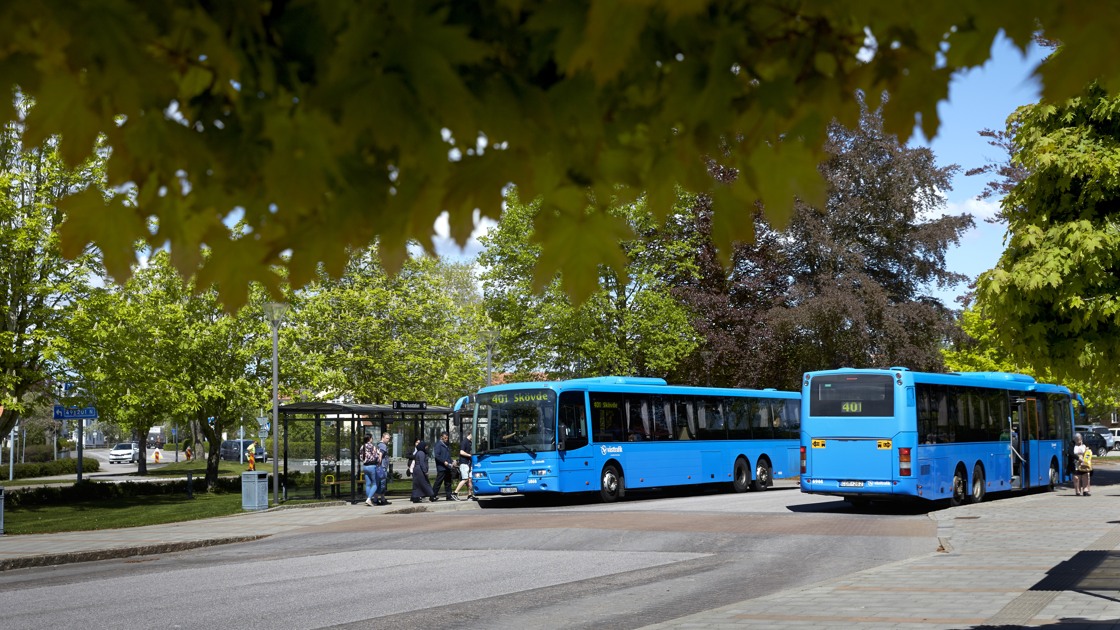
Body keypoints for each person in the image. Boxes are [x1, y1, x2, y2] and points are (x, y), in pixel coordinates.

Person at [431, 431, 455, 500]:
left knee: (448, 482)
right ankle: (433, 496)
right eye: (445, 438)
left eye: (447, 438)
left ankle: (449, 495)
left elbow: (447, 455)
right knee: (438, 482)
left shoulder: (446, 445)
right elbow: (437, 456)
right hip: (441, 467)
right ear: (441, 437)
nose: (446, 439)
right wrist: (444, 462)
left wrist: (451, 461)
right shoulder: (438, 445)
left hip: (447, 467)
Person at [359, 433, 381, 507]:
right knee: (375, 484)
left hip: (365, 466)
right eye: (372, 438)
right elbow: (377, 457)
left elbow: (361, 457)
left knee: (368, 484)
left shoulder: (362, 447)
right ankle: (369, 499)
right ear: (370, 439)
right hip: (372, 466)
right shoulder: (373, 447)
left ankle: (369, 500)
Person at [453, 432, 474, 500]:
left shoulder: (470, 442)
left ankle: (470, 495)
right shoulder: (464, 442)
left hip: (469, 463)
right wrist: (469, 455)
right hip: (464, 463)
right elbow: (461, 452)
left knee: (470, 479)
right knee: (465, 479)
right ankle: (455, 493)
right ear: (470, 434)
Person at [373, 432, 392, 506]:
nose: (388, 440)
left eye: (389, 439)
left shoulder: (378, 444)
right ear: (383, 437)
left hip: (380, 467)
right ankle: (376, 499)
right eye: (387, 438)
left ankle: (382, 499)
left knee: (380, 483)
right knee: (382, 484)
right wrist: (379, 463)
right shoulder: (383, 446)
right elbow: (380, 455)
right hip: (382, 467)